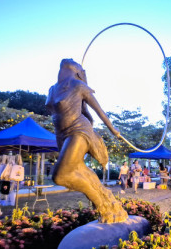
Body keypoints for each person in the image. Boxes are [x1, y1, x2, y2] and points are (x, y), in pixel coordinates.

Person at [45, 58, 127, 223]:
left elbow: (99, 111)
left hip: (79, 131)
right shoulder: (52, 89)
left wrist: (113, 129)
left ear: (76, 70)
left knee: (60, 176)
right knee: (80, 169)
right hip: (61, 134)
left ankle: (101, 203)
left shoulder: (78, 86)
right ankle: (108, 201)